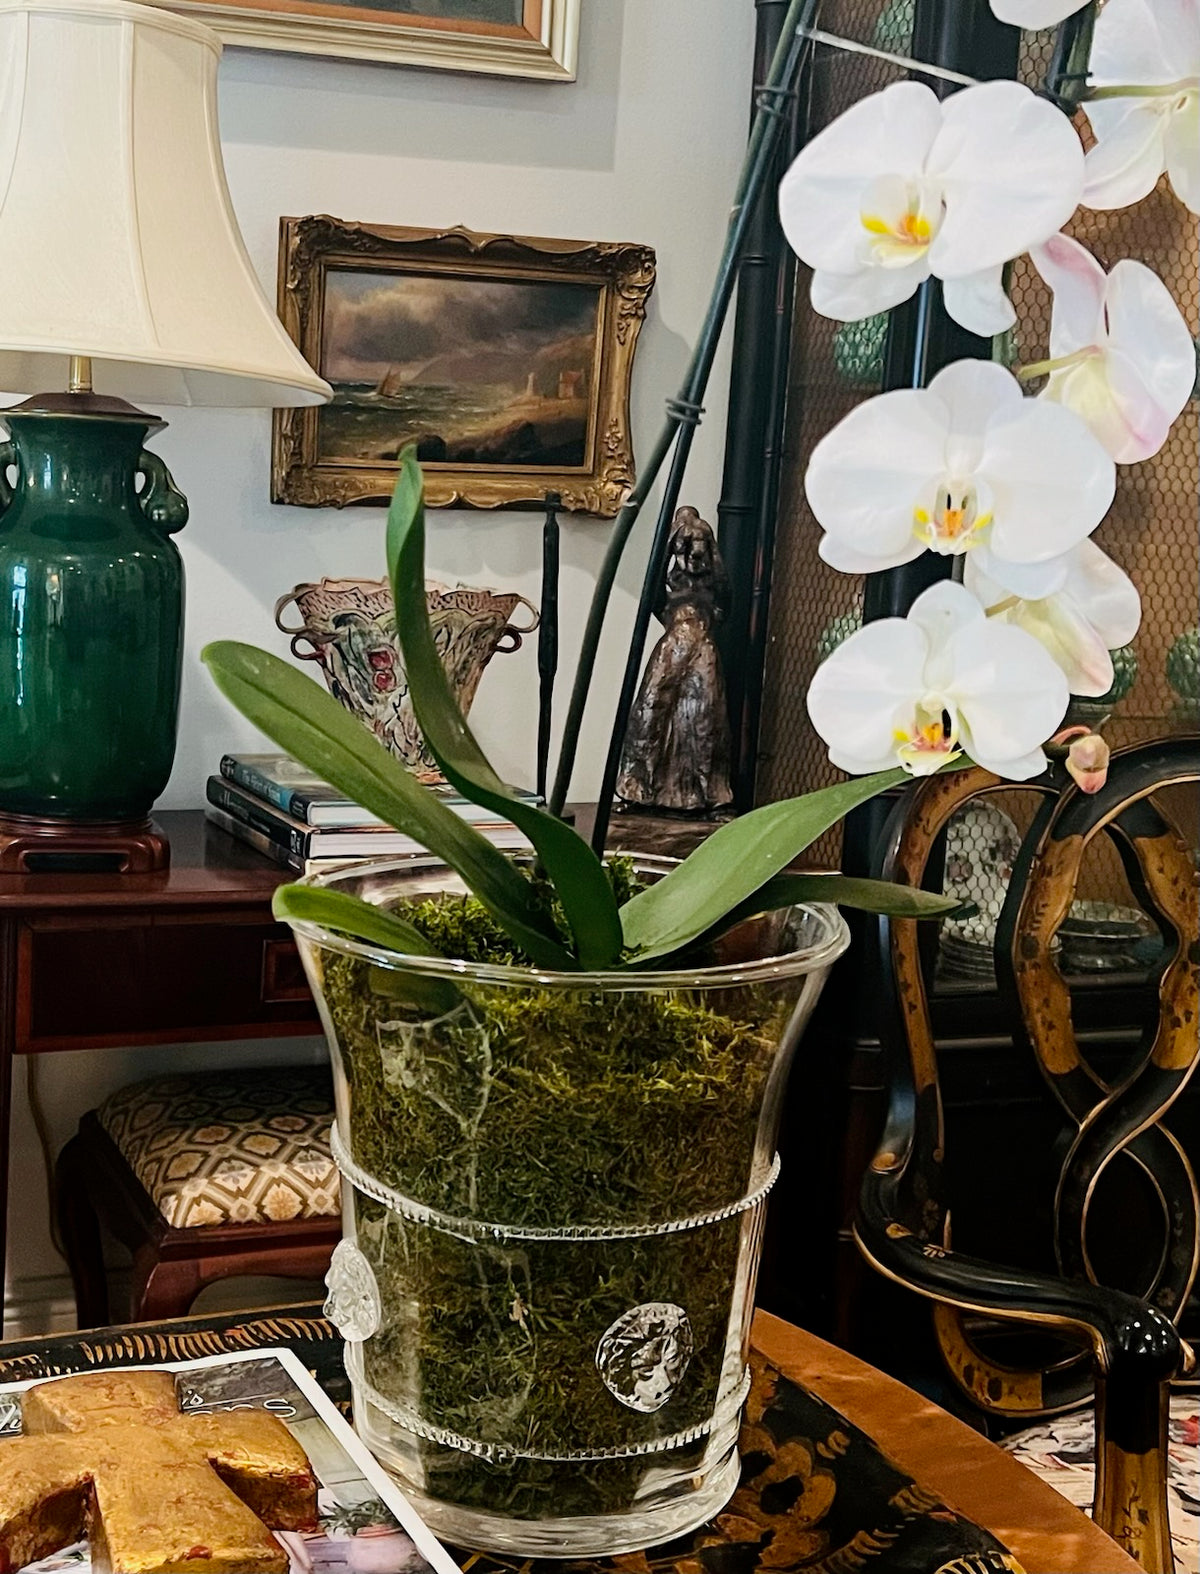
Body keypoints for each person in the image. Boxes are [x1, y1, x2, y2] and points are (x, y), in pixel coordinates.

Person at [616, 506, 734, 814]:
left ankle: (710, 795)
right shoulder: (669, 596)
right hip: (671, 652)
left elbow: (726, 595)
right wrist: (667, 544)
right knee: (650, 713)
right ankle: (638, 788)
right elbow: (650, 596)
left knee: (705, 721)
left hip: (702, 653)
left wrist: (706, 538)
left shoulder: (712, 596)